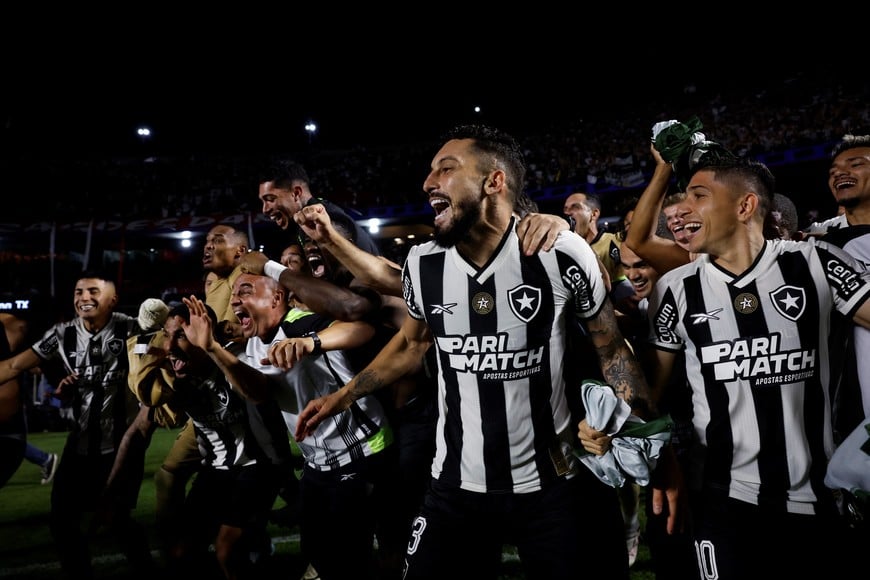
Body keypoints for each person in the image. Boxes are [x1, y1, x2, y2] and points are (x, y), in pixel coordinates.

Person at [295, 124, 651, 580]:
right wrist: (341, 397)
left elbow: (611, 347)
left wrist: (633, 427)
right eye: (430, 172)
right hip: (455, 490)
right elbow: (411, 344)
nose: (428, 183)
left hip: (557, 488)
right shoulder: (426, 262)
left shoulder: (558, 252)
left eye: (446, 169)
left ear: (494, 181)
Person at [601, 152, 870, 579]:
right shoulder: (677, 289)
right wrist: (645, 441)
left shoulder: (817, 263)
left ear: (745, 206)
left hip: (820, 498)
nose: (683, 208)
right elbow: (648, 390)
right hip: (721, 499)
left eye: (699, 195)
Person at [182, 272, 395, 580]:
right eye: (233, 297)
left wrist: (311, 343)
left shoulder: (300, 322)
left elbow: (362, 329)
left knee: (350, 559)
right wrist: (213, 348)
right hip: (317, 465)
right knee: (318, 553)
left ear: (276, 298)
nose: (235, 300)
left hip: (361, 453)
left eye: (245, 291)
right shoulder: (254, 344)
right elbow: (259, 393)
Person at [0, 271, 154, 580]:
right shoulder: (61, 334)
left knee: (115, 519)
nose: (84, 297)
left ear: (112, 300)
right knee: (61, 522)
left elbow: (156, 369)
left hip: (120, 445)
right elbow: (14, 365)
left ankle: (148, 572)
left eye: (93, 291)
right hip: (79, 444)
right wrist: (69, 387)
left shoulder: (132, 330)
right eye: (79, 291)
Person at [258, 159, 381, 257]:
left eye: (270, 199)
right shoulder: (318, 215)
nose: (265, 209)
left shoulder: (324, 222)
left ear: (296, 193)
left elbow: (349, 283)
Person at [563, 191, 636, 310]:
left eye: (575, 207)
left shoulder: (618, 240)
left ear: (594, 213)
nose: (568, 213)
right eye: (565, 209)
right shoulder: (567, 254)